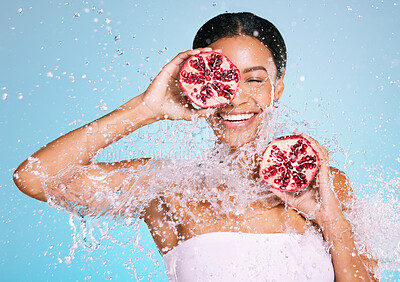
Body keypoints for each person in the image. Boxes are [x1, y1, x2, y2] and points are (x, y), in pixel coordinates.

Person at [13, 12, 377, 281]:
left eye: (254, 79)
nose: (236, 98)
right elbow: (35, 177)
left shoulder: (325, 187)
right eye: (222, 79)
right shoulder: (167, 187)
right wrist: (145, 109)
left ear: (277, 88)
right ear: (195, 83)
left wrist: (333, 224)